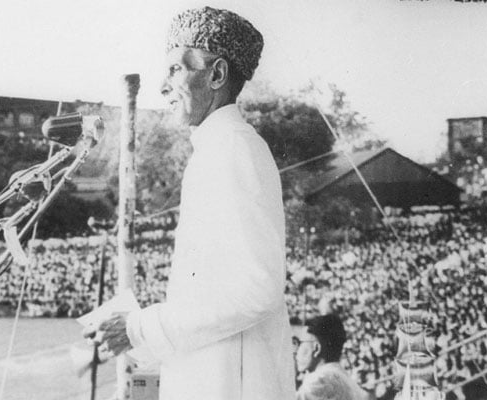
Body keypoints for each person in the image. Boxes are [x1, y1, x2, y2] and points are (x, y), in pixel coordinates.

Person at [85, 6, 295, 400]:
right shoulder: (217, 148)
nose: (163, 87)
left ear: (216, 75)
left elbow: (258, 288)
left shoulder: (234, 148)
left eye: (176, 70)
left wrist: (142, 327)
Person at [295, 314, 367, 400]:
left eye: (300, 343)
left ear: (316, 349)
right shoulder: (340, 377)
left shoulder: (322, 380)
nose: (296, 351)